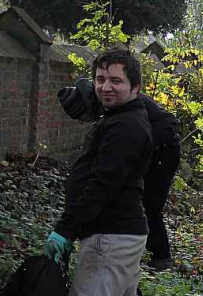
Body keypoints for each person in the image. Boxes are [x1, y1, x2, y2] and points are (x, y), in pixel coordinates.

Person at [44, 49, 153, 296]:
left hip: (110, 236)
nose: (106, 87)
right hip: (125, 234)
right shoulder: (120, 118)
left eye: (116, 81)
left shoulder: (125, 128)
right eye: (101, 80)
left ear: (135, 86)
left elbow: (102, 186)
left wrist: (66, 228)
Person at [57, 79, 181, 271]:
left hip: (164, 150)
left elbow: (109, 176)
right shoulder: (109, 109)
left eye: (82, 116)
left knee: (150, 205)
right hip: (157, 148)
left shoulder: (119, 109)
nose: (83, 121)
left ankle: (161, 258)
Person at [140, 94, 181, 271]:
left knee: (151, 207)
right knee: (147, 207)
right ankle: (156, 255)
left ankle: (161, 258)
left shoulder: (128, 102)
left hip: (163, 154)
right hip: (160, 152)